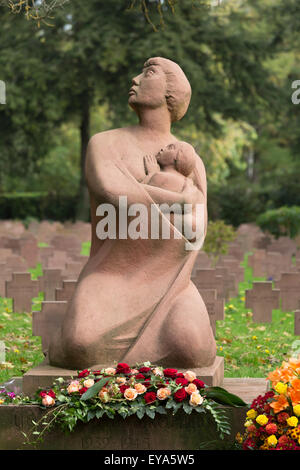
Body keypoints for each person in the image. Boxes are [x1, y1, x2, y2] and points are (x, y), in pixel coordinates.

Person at [48, 57, 216, 370]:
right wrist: (179, 200)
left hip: (170, 282)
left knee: (193, 349)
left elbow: (194, 230)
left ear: (171, 94)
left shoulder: (191, 161)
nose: (135, 79)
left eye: (148, 73)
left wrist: (147, 191)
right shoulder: (104, 144)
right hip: (113, 274)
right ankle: (60, 336)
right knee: (80, 346)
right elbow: (116, 193)